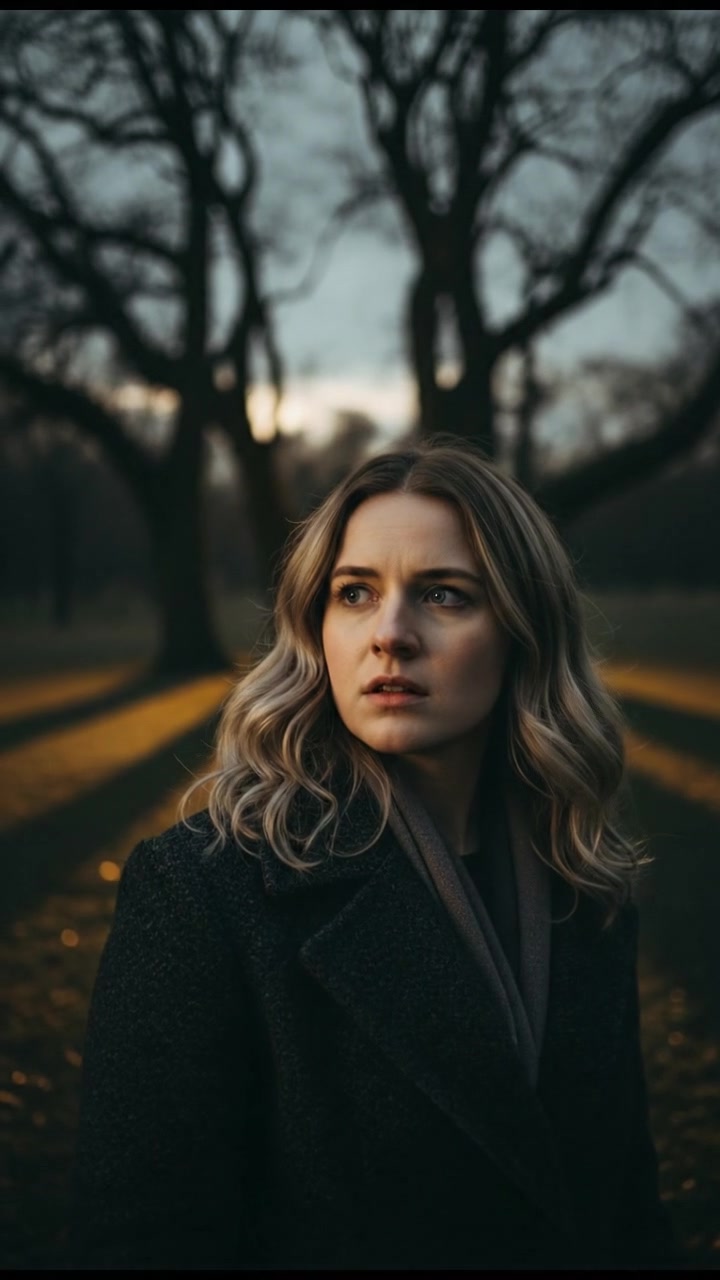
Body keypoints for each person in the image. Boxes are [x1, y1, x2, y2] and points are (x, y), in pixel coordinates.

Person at [71, 437, 675, 1270]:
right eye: (355, 593)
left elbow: (627, 1210)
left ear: (522, 629)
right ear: (317, 629)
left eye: (445, 595)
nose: (391, 635)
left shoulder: (583, 878)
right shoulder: (205, 890)